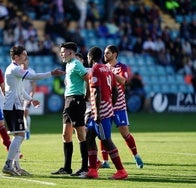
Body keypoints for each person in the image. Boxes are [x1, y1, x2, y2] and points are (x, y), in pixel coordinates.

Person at [2, 45, 65, 176]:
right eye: (24, 55)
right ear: (16, 57)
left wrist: (30, 99)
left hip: (15, 106)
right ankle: (8, 164)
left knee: (18, 136)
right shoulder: (14, 69)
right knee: (20, 135)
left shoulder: (16, 69)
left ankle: (16, 166)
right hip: (12, 106)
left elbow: (20, 89)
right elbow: (34, 77)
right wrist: (51, 73)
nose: (26, 57)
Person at [84, 46, 128, 179]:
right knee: (90, 136)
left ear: (90, 57)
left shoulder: (96, 69)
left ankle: (121, 171)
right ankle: (92, 170)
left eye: (87, 57)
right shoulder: (107, 69)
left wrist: (97, 113)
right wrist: (111, 104)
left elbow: (96, 92)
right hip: (103, 108)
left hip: (100, 111)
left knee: (106, 140)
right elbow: (115, 90)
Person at [102, 45, 144, 169]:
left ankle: (136, 156)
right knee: (103, 133)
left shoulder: (121, 67)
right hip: (106, 105)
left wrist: (110, 73)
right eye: (104, 53)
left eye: (108, 53)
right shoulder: (103, 68)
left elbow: (123, 81)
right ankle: (105, 161)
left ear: (115, 54)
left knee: (125, 133)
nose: (105, 55)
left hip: (119, 105)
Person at [51, 42, 89, 176]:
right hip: (68, 101)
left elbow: (88, 79)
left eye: (63, 52)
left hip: (76, 100)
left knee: (80, 134)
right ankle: (67, 168)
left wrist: (87, 96)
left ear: (70, 52)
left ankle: (85, 168)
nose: (61, 54)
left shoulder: (77, 64)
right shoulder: (68, 65)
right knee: (66, 135)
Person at [20, 59, 37, 140]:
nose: (24, 61)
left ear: (28, 61)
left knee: (25, 112)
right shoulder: (17, 71)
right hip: (19, 96)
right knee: (20, 115)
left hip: (27, 96)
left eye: (25, 60)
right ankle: (22, 130)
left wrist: (30, 97)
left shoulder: (31, 72)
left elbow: (33, 86)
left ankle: (26, 130)